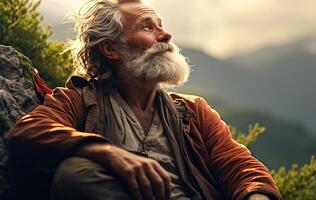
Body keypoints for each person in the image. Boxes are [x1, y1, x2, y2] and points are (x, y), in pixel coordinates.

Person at [6, 0, 282, 200]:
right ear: (111, 48)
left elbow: (240, 167)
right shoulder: (79, 100)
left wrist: (256, 196)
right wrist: (109, 154)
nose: (165, 35)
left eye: (161, 25)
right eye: (147, 27)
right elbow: (27, 132)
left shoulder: (193, 111)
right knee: (75, 174)